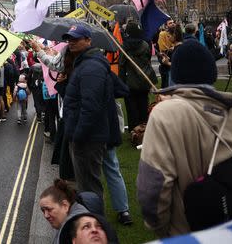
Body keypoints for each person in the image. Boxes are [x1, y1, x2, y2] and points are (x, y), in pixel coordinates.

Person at [137, 38, 232, 237]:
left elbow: (152, 187)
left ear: (177, 75)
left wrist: (160, 229)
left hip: (186, 233)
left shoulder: (164, 114)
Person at [57, 26, 114, 199]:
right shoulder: (83, 63)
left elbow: (91, 107)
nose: (71, 42)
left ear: (88, 40)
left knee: (89, 187)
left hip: (88, 138)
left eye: (76, 39)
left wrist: (78, 135)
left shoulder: (90, 66)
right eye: (69, 39)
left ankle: (94, 221)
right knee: (85, 185)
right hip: (85, 135)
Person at [39, 179, 116, 244]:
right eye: (43, 211)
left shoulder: (69, 230)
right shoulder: (77, 209)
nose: (46, 215)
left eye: (49, 209)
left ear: (65, 205)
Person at [118, 22, 155, 130]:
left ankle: (134, 129)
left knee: (131, 106)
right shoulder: (145, 44)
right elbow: (148, 60)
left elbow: (122, 65)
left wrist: (121, 81)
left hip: (130, 80)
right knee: (143, 103)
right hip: (144, 78)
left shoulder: (124, 46)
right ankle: (144, 126)